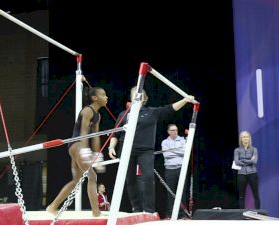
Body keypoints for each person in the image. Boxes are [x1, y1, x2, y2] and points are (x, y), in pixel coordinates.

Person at [108, 86, 194, 213]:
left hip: (145, 151)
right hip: (126, 150)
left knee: (148, 177)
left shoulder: (152, 112)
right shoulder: (124, 114)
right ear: (131, 97)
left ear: (145, 98)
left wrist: (185, 100)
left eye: (140, 94)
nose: (137, 95)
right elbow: (115, 133)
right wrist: (111, 146)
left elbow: (170, 108)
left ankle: (149, 210)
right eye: (134, 93)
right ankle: (136, 209)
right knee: (129, 179)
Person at [46, 87, 108, 217]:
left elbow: (96, 136)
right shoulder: (87, 111)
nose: (106, 97)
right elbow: (83, 133)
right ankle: (96, 212)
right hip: (76, 144)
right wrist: (85, 152)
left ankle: (52, 206)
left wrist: (98, 154)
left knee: (76, 181)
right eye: (103, 95)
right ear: (95, 98)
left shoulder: (98, 115)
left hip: (80, 146)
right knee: (92, 176)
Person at [161, 123, 188, 219]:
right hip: (169, 170)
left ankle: (183, 215)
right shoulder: (164, 142)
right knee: (170, 193)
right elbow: (166, 155)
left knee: (182, 192)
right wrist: (178, 151)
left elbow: (185, 152)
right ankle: (169, 214)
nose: (175, 132)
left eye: (176, 130)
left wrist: (172, 150)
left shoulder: (182, 140)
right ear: (168, 132)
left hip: (181, 169)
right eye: (172, 130)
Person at [233, 131, 260, 209]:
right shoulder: (237, 150)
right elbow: (236, 162)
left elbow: (254, 161)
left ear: (249, 139)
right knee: (241, 196)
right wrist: (249, 160)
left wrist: (243, 160)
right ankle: (242, 213)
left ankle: (258, 212)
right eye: (244, 137)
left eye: (247, 137)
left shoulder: (254, 149)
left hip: (253, 173)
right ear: (241, 139)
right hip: (241, 174)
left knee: (256, 194)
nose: (245, 139)